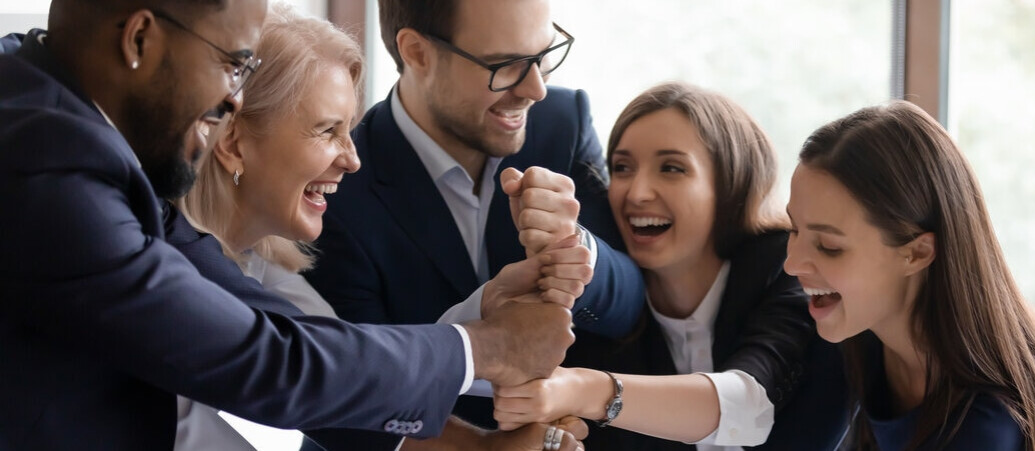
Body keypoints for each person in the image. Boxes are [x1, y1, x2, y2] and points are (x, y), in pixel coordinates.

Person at [0, 1, 576, 449]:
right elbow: (269, 363)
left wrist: (475, 350)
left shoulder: (66, 117)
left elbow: (277, 329)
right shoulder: (46, 162)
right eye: (233, 64)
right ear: (140, 39)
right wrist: (483, 347)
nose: (233, 100)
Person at [173, 5, 591, 450]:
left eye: (349, 129)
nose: (352, 160)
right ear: (234, 142)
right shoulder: (167, 270)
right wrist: (488, 345)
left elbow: (349, 372)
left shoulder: (260, 262)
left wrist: (486, 312)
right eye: (327, 130)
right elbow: (306, 374)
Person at [303, 0, 646, 430]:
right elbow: (356, 392)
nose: (535, 88)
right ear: (416, 52)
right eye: (505, 65)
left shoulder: (564, 122)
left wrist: (576, 247)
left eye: (543, 56)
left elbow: (634, 308)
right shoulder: (334, 187)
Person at [783, 100, 1035, 450]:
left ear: (917, 253)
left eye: (829, 247)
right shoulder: (855, 332)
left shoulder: (991, 422)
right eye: (794, 230)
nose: (792, 263)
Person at [489, 82, 849, 450]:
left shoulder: (786, 267)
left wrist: (584, 390)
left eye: (672, 168)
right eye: (623, 168)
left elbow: (749, 404)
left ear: (731, 182)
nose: (638, 192)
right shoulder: (601, 319)